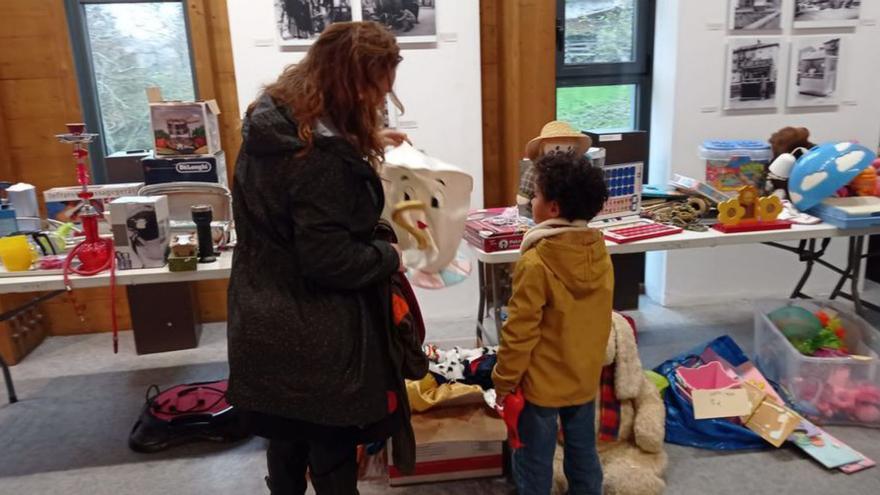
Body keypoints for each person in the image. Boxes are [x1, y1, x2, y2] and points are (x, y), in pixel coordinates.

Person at [227, 21, 422, 494]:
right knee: (332, 457)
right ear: (349, 84)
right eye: (373, 95)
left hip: (262, 315)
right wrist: (389, 256)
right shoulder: (317, 161)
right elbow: (330, 260)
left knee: (286, 441)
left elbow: (297, 212)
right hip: (317, 333)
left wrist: (368, 140)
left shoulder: (272, 121)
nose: (376, 104)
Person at [493, 152, 614, 495]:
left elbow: (520, 332)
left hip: (541, 386)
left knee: (533, 460)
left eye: (537, 195)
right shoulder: (600, 250)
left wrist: (504, 379)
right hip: (583, 377)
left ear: (553, 208)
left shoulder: (536, 261)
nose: (531, 200)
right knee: (583, 453)